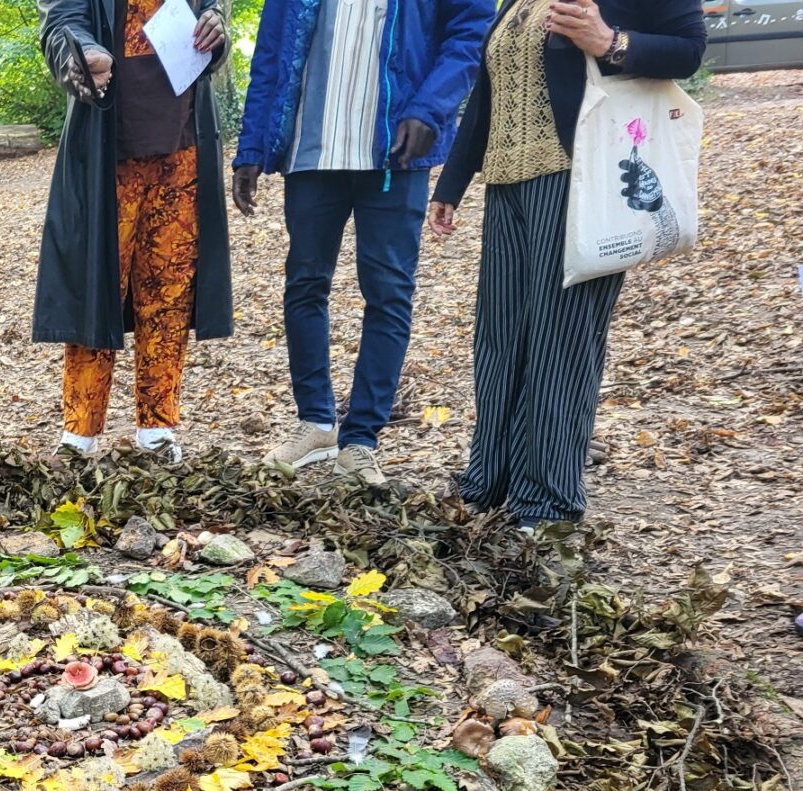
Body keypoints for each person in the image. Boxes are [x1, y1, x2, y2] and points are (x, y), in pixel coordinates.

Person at [429, 0, 705, 527]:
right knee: (500, 336)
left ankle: (548, 500)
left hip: (583, 178)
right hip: (507, 184)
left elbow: (689, 50)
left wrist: (612, 42)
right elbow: (491, 90)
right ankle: (489, 481)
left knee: (562, 340)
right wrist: (453, 181)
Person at [235, 0, 491, 488]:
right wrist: (252, 145)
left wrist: (430, 108)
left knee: (389, 293)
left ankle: (361, 441)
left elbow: (469, 33)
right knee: (305, 284)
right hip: (311, 151)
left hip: (396, 150)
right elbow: (271, 52)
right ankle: (315, 424)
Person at [33, 0, 236, 465]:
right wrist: (83, 53)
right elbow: (61, 21)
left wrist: (216, 30)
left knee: (168, 293)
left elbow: (215, 17)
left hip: (183, 148)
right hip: (107, 149)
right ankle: (79, 434)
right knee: (96, 284)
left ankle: (157, 429)